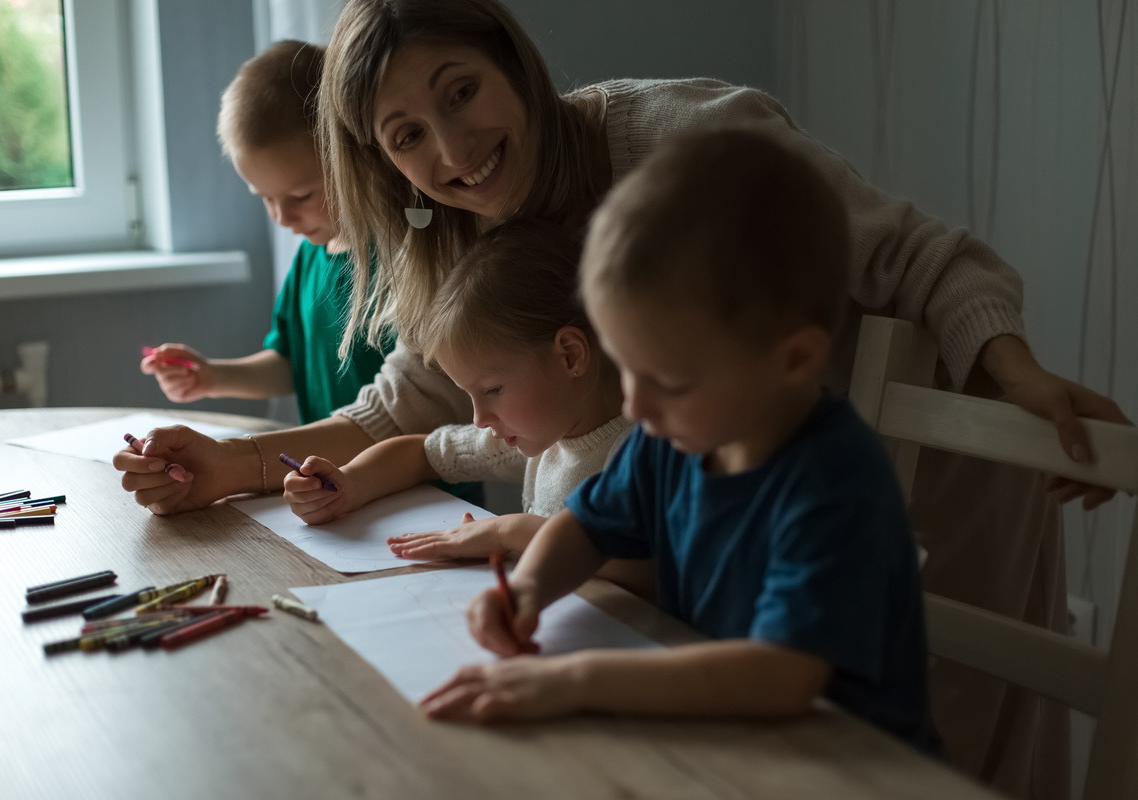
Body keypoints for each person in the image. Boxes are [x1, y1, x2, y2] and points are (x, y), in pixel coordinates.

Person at [115, 4, 1128, 795]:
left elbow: (913, 255)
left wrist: (1012, 364)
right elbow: (405, 406)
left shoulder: (682, 140)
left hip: (915, 488)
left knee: (961, 761)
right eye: (408, 135)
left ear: (510, 59)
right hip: (722, 537)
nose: (453, 151)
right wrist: (235, 463)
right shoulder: (478, 260)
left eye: (462, 92)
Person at [422, 129, 938, 754]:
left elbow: (780, 677)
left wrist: (575, 679)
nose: (635, 404)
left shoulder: (837, 482)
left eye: (667, 379)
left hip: (850, 763)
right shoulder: (672, 437)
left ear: (794, 359)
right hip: (723, 739)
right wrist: (530, 588)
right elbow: (584, 528)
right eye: (627, 366)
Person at [283, 220, 632, 565]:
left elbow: (635, 565)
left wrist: (506, 531)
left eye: (493, 389)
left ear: (570, 355)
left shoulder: (635, 452)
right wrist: (350, 485)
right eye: (470, 395)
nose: (479, 419)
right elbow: (423, 453)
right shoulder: (550, 435)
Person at [140, 40, 388, 426]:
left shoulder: (402, 258)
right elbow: (289, 364)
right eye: (265, 198)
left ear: (358, 155)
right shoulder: (310, 258)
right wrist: (210, 376)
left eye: (300, 195)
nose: (282, 217)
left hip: (425, 485)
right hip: (338, 483)